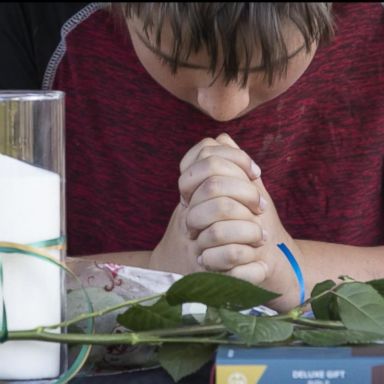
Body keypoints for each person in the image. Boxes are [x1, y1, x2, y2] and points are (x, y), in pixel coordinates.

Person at [0, 2, 383, 313]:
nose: (223, 109)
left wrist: (293, 270)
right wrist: (152, 274)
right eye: (177, 62)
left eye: (268, 66)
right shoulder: (32, 17)